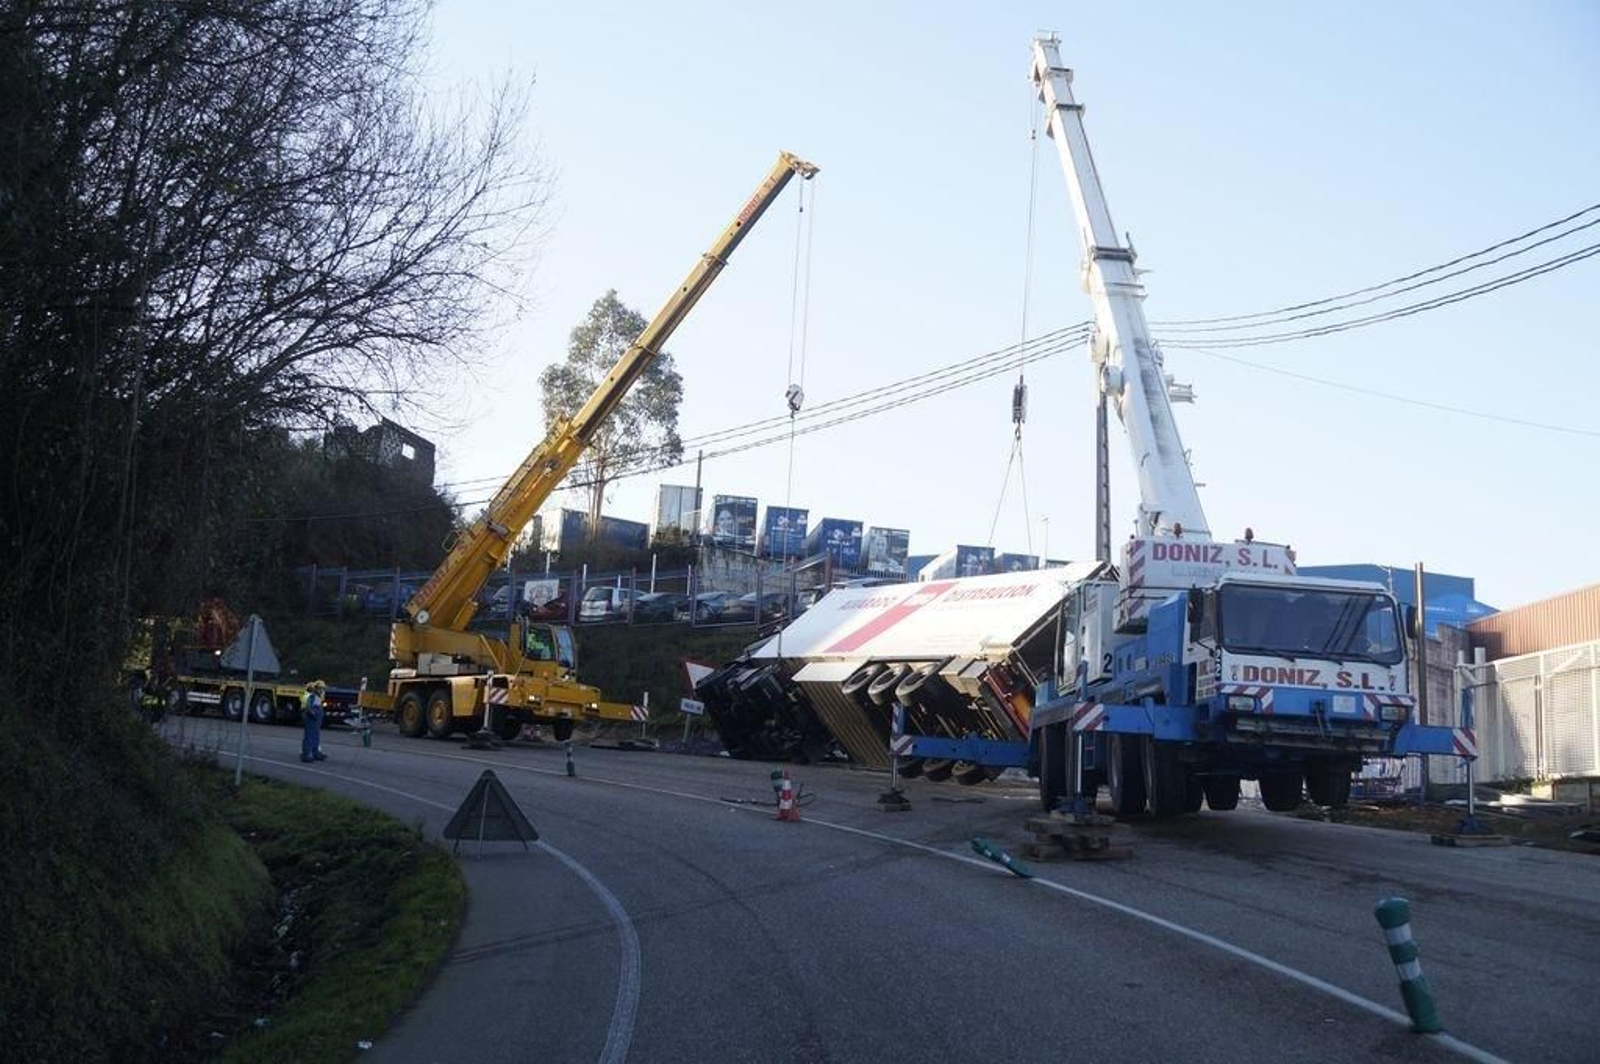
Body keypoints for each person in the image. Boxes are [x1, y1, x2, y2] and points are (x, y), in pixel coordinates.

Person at [301, 680, 327, 763]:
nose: (322, 690)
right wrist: (314, 715)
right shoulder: (313, 697)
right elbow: (309, 708)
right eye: (320, 688)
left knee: (315, 737)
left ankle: (315, 753)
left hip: (315, 722)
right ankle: (307, 755)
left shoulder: (317, 697)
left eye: (322, 689)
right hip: (311, 721)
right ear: (315, 688)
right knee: (309, 737)